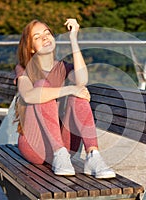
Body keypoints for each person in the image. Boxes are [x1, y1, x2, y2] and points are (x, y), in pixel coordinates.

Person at [14, 18, 116, 179]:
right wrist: (68, 89)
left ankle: (93, 155)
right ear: (31, 48)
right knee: (43, 86)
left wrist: (73, 39)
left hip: (66, 143)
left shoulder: (63, 67)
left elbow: (82, 80)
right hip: (35, 145)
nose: (45, 37)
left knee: (79, 92)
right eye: (37, 37)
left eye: (47, 33)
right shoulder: (24, 69)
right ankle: (58, 152)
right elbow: (28, 95)